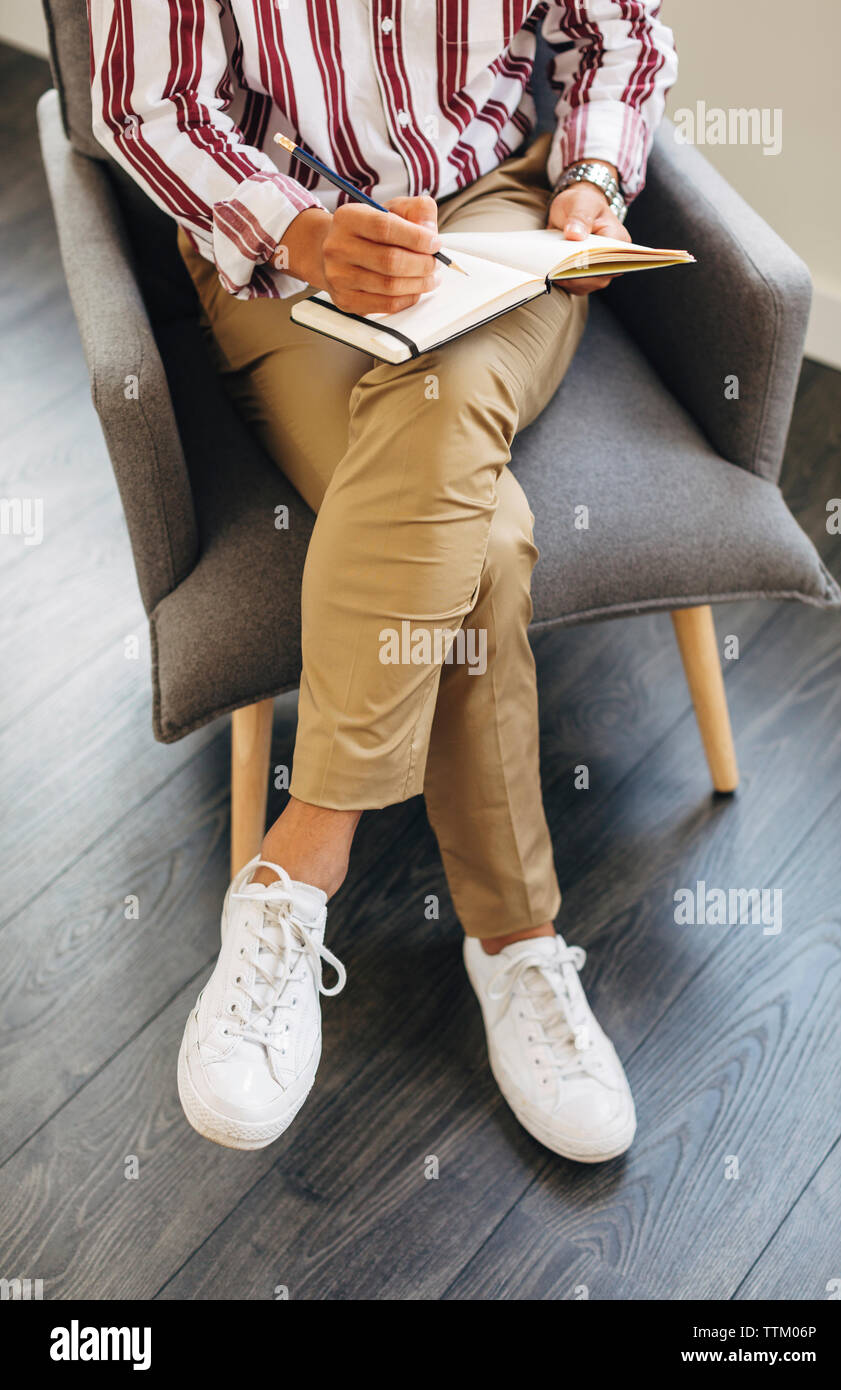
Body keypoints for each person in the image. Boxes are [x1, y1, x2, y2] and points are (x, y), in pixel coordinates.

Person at [89, 1, 677, 1161]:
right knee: (486, 542)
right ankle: (515, 943)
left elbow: (623, 29)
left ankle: (299, 859)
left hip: (506, 207)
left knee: (448, 411)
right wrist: (301, 232)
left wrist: (590, 177)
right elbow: (143, 102)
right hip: (284, 260)